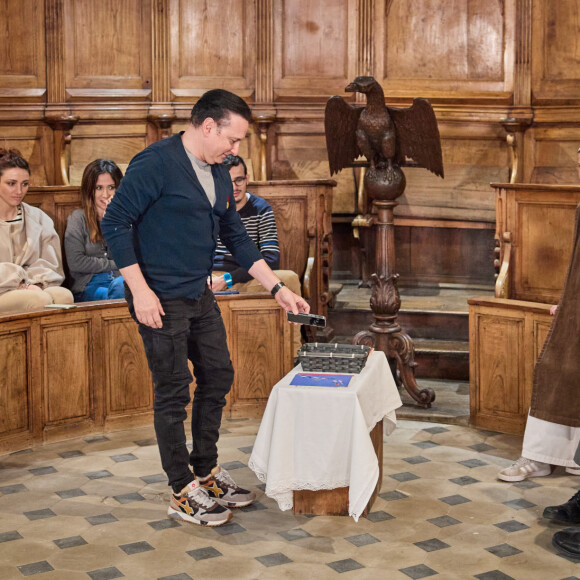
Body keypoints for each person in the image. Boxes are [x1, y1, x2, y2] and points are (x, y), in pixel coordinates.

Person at [101, 89, 309, 528]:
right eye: (232, 140)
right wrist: (139, 291)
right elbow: (115, 223)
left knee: (218, 375)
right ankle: (181, 489)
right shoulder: (155, 163)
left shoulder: (217, 172)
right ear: (208, 125)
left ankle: (206, 471)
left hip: (198, 293)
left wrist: (278, 290)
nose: (235, 151)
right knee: (173, 391)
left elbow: (235, 236)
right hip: (158, 296)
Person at [211, 154, 301, 297]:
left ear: (247, 179)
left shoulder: (261, 208)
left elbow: (271, 260)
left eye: (238, 180)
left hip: (247, 275)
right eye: (228, 181)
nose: (234, 187)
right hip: (212, 275)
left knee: (289, 279)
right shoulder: (210, 206)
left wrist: (228, 279)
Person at [0, 148, 73, 314]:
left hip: (34, 287)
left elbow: (51, 265)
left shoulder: (37, 217)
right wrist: (22, 284)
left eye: (24, 184)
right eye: (11, 183)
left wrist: (36, 284)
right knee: (39, 300)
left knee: (64, 296)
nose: (19, 191)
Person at [65, 159, 125, 301]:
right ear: (90, 190)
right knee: (121, 288)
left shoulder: (127, 218)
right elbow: (76, 262)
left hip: (120, 280)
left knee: (122, 285)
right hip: (89, 285)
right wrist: (115, 264)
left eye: (111, 187)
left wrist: (112, 223)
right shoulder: (78, 218)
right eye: (99, 188)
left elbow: (133, 254)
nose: (106, 194)